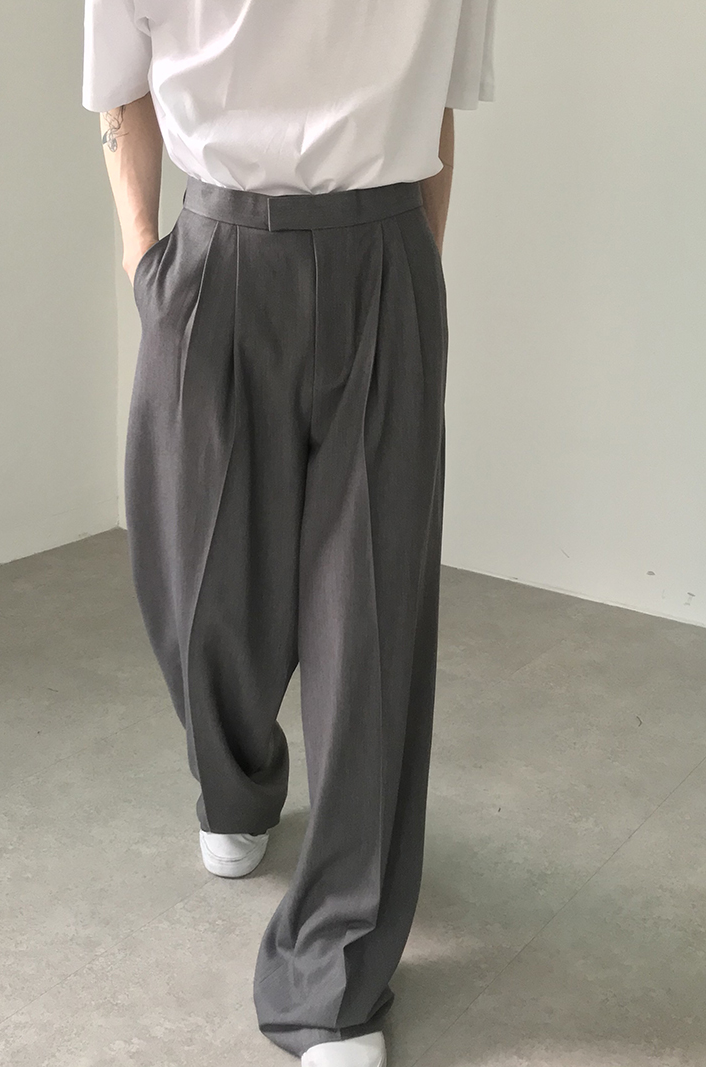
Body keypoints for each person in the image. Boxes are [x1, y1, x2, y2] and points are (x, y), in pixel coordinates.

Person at [82, 1, 496, 1063]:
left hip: (384, 252)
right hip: (215, 252)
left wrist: (413, 269)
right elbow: (120, 88)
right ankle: (234, 777)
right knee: (193, 578)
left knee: (370, 623)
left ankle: (332, 977)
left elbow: (436, 106)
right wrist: (143, 259)